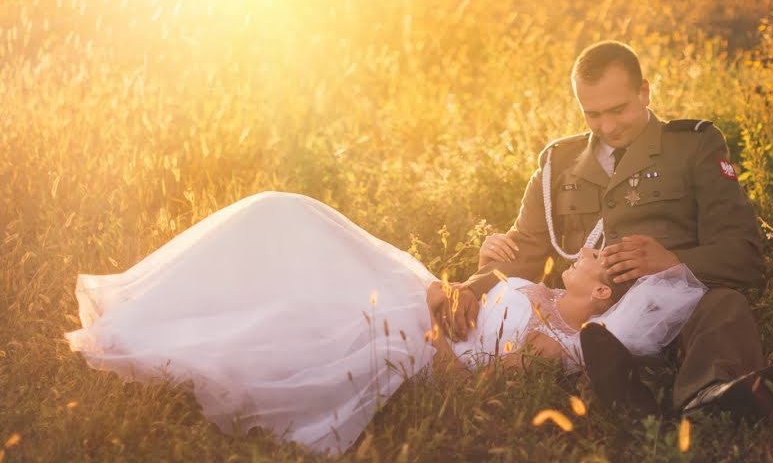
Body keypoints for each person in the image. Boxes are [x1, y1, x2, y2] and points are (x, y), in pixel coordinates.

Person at [65, 191, 705, 455]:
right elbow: (475, 301)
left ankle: (167, 335)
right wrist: (464, 280)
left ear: (599, 295)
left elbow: (470, 373)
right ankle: (156, 304)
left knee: (300, 304)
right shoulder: (539, 289)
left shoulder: (549, 345)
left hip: (409, 330)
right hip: (414, 290)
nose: (586, 249)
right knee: (286, 213)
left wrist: (437, 315)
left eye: (595, 256)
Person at [431, 40, 773, 422]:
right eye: (593, 115)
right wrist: (471, 288)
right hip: (587, 320)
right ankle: (626, 388)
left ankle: (713, 392)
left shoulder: (693, 146)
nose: (607, 126)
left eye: (618, 110)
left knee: (724, 302)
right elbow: (524, 250)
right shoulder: (559, 163)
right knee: (591, 341)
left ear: (644, 91)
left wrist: (674, 261)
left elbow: (744, 254)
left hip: (674, 307)